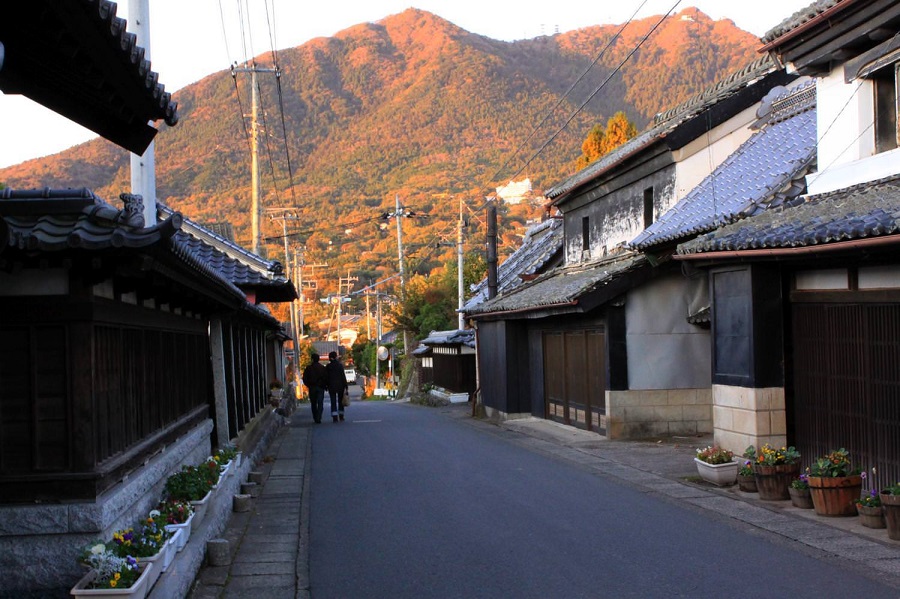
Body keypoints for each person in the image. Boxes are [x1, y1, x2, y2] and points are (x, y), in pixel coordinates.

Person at [302, 353, 328, 424]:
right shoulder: (322, 368)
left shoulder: (309, 368)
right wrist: (325, 386)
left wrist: (308, 385)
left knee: (313, 403)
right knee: (320, 403)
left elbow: (304, 378)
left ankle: (315, 417)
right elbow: (326, 378)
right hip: (320, 387)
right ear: (318, 359)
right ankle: (319, 417)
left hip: (312, 387)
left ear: (312, 359)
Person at [325, 350, 349, 422]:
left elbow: (326, 377)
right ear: (336, 357)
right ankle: (341, 415)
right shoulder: (340, 365)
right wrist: (346, 386)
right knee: (340, 401)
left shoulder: (328, 366)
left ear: (330, 358)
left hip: (331, 386)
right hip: (340, 386)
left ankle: (334, 416)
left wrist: (326, 385)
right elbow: (343, 376)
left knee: (333, 401)